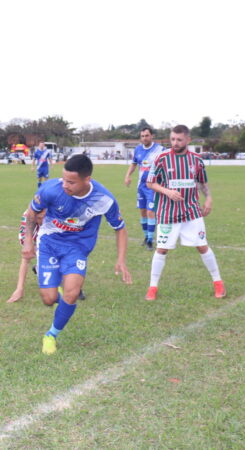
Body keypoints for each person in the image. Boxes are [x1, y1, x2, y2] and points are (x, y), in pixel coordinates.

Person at [22, 154, 131, 354]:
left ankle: (50, 335)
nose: (65, 185)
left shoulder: (103, 199)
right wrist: (29, 241)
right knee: (48, 298)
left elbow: (120, 228)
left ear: (86, 179)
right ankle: (57, 295)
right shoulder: (50, 189)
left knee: (72, 292)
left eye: (71, 182)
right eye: (64, 179)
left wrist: (121, 260)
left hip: (77, 247)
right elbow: (31, 213)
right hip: (49, 243)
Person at [144, 125, 226, 301]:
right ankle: (152, 287)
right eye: (172, 139)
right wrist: (167, 192)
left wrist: (209, 198)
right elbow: (150, 183)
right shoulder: (161, 158)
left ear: (188, 140)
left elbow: (202, 183)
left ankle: (218, 283)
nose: (175, 142)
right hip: (168, 212)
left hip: (191, 211)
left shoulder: (197, 160)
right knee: (161, 249)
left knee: (202, 246)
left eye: (179, 139)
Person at [123, 127, 166, 250]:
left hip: (153, 186)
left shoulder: (160, 149)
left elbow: (166, 164)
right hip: (141, 186)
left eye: (146, 135)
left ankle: (150, 240)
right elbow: (134, 163)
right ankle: (146, 237)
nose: (144, 138)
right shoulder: (138, 149)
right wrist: (127, 176)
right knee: (142, 211)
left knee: (150, 212)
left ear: (152, 136)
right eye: (142, 136)